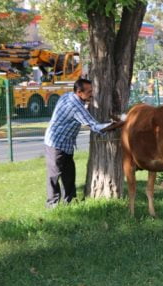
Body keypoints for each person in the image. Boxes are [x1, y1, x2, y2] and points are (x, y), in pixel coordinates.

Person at [43, 78, 123, 208]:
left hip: (66, 144)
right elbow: (95, 126)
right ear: (79, 92)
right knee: (54, 175)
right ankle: (52, 205)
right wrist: (118, 125)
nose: (92, 94)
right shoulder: (75, 107)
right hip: (55, 143)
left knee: (69, 174)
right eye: (89, 92)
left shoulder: (68, 96)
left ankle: (69, 201)